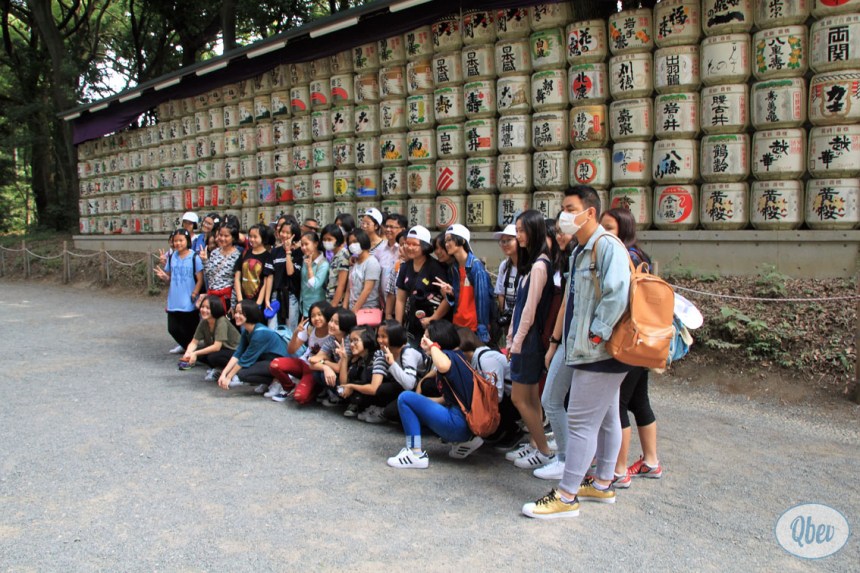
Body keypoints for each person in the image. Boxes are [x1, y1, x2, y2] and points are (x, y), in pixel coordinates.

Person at [522, 185, 631, 520]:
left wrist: (596, 335)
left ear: (590, 212)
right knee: (609, 417)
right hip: (591, 349)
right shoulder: (582, 251)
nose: (564, 215)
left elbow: (617, 294)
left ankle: (567, 497)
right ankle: (601, 484)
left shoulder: (605, 246)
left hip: (600, 352)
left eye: (570, 208)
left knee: (583, 422)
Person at [600, 207, 662, 488]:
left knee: (618, 404)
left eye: (610, 228)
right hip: (645, 338)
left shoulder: (622, 258)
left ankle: (619, 469)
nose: (604, 233)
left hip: (627, 339)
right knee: (639, 401)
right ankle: (651, 461)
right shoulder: (641, 257)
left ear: (623, 230)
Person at [386, 320, 485, 469]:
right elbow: (447, 399)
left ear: (437, 340)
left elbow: (443, 365)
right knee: (411, 402)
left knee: (405, 398)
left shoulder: (447, 357)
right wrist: (420, 403)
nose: (423, 342)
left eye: (426, 337)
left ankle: (415, 453)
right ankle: (466, 441)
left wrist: (433, 346)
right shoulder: (458, 356)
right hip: (467, 426)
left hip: (457, 424)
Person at [531, 195, 580, 481]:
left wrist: (554, 342)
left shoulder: (582, 256)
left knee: (553, 400)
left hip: (574, 340)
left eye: (563, 230)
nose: (559, 235)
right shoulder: (567, 259)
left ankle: (568, 459)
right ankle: (573, 458)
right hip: (561, 337)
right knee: (557, 400)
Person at [505, 210, 556, 471]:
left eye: (522, 230)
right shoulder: (531, 264)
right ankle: (537, 443)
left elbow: (530, 310)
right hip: (525, 338)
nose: (518, 235)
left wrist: (516, 342)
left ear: (534, 231)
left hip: (530, 340)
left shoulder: (539, 265)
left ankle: (544, 450)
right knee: (531, 397)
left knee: (519, 398)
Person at [340, 321, 426, 424]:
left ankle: (386, 412)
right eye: (378, 336)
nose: (379, 340)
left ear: (394, 337)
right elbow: (375, 387)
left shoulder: (408, 353)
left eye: (383, 336)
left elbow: (409, 384)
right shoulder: (382, 353)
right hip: (400, 387)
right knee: (381, 389)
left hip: (418, 391)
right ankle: (381, 409)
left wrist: (392, 363)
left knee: (390, 411)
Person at [434, 224, 492, 344]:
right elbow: (459, 298)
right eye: (446, 241)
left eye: (450, 239)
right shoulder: (454, 267)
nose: (447, 244)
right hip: (458, 323)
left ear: (462, 240)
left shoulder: (475, 266)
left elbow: (483, 300)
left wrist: (482, 328)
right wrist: (450, 293)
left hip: (474, 327)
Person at [268, 301, 336, 404]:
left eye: (320, 315)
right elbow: (291, 350)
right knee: (275, 364)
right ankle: (289, 387)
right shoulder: (309, 327)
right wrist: (295, 333)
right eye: (313, 315)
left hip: (316, 370)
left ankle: (316, 389)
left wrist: (323, 366)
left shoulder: (333, 332)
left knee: (300, 397)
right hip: (303, 362)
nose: (316, 318)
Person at [217, 300, 287, 392]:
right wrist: (224, 374)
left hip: (279, 362)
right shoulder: (246, 330)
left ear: (250, 314)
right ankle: (268, 383)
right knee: (241, 370)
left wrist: (229, 377)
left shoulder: (259, 333)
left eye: (241, 313)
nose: (237, 315)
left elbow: (245, 359)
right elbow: (238, 353)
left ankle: (278, 382)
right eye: (236, 312)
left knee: (243, 374)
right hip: (266, 360)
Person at [395, 225, 449, 341]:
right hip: (412, 323)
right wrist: (398, 326)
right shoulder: (404, 267)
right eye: (407, 243)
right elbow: (400, 299)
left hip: (433, 326)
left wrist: (433, 318)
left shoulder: (435, 268)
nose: (409, 247)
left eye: (414, 244)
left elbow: (448, 299)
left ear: (424, 246)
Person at [155, 229, 204, 353]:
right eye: (175, 241)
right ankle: (189, 349)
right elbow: (169, 278)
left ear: (187, 241)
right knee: (173, 328)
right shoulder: (172, 257)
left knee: (189, 328)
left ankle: (191, 351)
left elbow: (200, 279)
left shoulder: (194, 257)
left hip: (188, 300)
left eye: (181, 240)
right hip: (174, 299)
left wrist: (194, 293)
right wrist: (164, 277)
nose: (178, 243)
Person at [181, 295, 241, 381]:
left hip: (235, 351)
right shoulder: (204, 321)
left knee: (212, 357)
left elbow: (217, 347)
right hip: (222, 350)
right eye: (202, 307)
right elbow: (194, 342)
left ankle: (230, 371)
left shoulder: (221, 321)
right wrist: (188, 353)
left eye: (208, 308)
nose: (204, 310)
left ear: (215, 309)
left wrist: (195, 353)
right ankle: (219, 368)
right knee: (199, 353)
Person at [306, 307, 357, 406]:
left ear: (345, 326)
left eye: (336, 323)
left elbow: (339, 368)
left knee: (323, 374)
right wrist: (325, 367)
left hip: (351, 377)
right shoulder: (332, 338)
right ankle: (336, 395)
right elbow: (312, 361)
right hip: (340, 373)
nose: (331, 324)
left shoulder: (348, 341)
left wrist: (325, 361)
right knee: (319, 373)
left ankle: (346, 400)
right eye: (331, 321)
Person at [335, 326, 378, 418]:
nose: (351, 344)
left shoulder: (375, 357)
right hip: (358, 390)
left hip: (373, 392)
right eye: (350, 341)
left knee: (355, 387)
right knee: (339, 388)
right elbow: (343, 383)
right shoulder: (356, 358)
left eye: (355, 340)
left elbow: (371, 385)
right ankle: (353, 403)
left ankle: (361, 405)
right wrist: (344, 359)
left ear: (366, 339)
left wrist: (352, 386)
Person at [233, 223, 274, 316]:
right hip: (243, 301)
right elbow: (237, 277)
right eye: (250, 236)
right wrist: (240, 300)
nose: (252, 239)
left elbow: (266, 281)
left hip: (257, 302)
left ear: (263, 238)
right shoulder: (245, 253)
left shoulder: (267, 256)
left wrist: (259, 303)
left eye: (255, 237)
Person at [199, 222, 241, 313]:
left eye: (226, 236)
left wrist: (233, 305)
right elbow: (209, 276)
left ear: (233, 237)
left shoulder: (238, 256)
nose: (222, 238)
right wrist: (205, 261)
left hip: (226, 298)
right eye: (220, 235)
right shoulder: (215, 252)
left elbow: (236, 282)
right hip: (212, 296)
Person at [270, 220, 302, 329]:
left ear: (294, 235)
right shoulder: (275, 251)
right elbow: (270, 275)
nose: (284, 235)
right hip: (275, 295)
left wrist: (288, 252)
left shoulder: (299, 252)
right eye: (282, 232)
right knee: (272, 329)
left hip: (291, 296)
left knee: (290, 331)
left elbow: (290, 272)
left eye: (288, 233)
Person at [346, 229, 382, 314]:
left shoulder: (371, 262)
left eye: (355, 241)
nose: (352, 245)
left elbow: (367, 290)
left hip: (367, 310)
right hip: (352, 308)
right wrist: (344, 309)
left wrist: (354, 310)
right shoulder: (355, 262)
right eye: (350, 243)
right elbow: (349, 288)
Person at [493, 224, 518, 345]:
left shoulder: (529, 265)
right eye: (502, 241)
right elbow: (500, 293)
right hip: (509, 318)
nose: (505, 244)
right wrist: (505, 314)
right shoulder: (505, 265)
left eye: (509, 240)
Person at [298, 230, 329, 316]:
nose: (303, 247)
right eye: (302, 245)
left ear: (315, 244)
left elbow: (314, 284)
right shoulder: (305, 259)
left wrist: (309, 268)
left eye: (306, 244)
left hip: (317, 307)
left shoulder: (324, 264)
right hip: (304, 305)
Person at [322, 224, 350, 307]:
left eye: (330, 239)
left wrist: (333, 305)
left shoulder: (342, 255)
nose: (326, 242)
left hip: (338, 304)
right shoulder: (335, 255)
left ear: (337, 240)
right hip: (330, 300)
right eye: (324, 239)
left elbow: (341, 284)